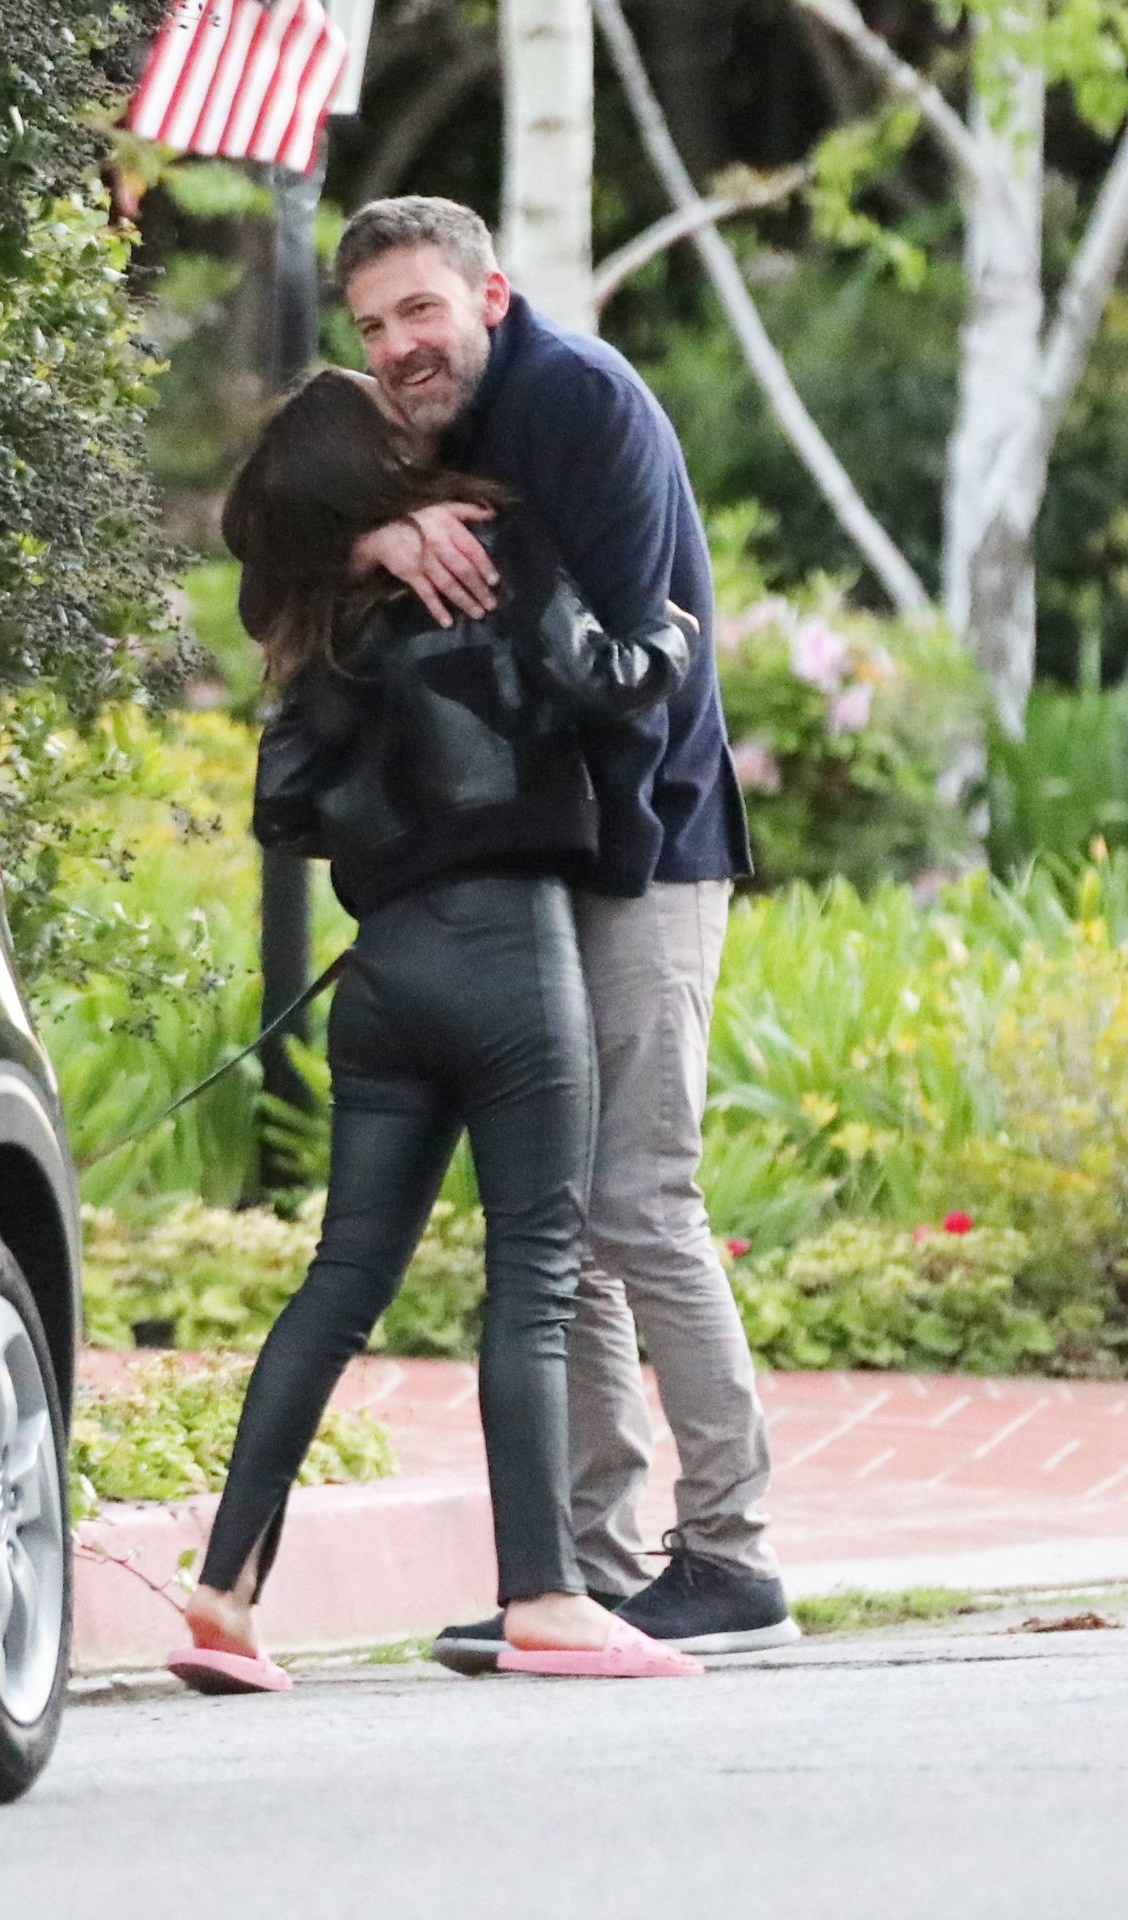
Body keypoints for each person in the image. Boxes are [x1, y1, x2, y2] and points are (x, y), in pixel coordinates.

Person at [169, 367, 703, 1693]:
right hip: (511, 953)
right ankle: (548, 1597)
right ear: (376, 463)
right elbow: (599, 676)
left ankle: (223, 1593)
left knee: (341, 1280)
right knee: (533, 1276)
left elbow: (285, 812)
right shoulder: (491, 543)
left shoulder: (317, 619)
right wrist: (674, 639)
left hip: (384, 972)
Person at [321, 197, 798, 1665]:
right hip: (538, 868)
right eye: (373, 326)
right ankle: (584, 1572)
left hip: (644, 852)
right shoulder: (416, 429)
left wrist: (589, 860)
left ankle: (732, 1559)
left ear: (489, 295)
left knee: (638, 1203)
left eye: (420, 309)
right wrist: (378, 535)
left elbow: (644, 663)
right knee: (557, 1224)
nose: (398, 346)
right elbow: (272, 525)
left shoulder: (576, 398)